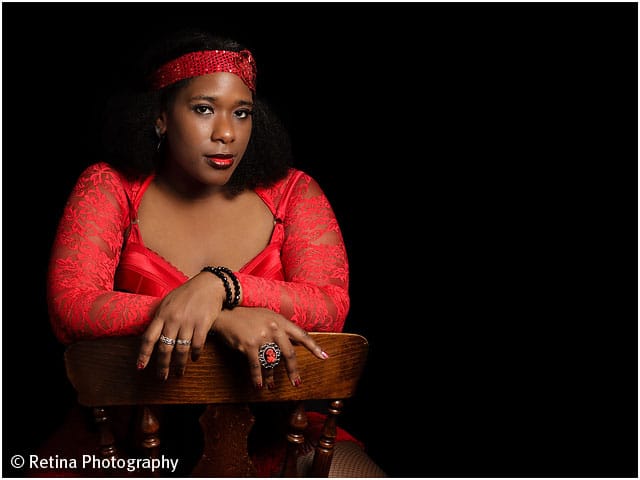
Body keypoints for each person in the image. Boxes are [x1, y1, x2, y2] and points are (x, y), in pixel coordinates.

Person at [44, 27, 385, 477]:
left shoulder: (292, 193)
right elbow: (72, 308)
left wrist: (223, 285)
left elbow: (330, 308)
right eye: (204, 109)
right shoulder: (111, 186)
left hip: (275, 437)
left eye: (241, 113)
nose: (226, 133)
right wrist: (218, 320)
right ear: (161, 116)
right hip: (131, 444)